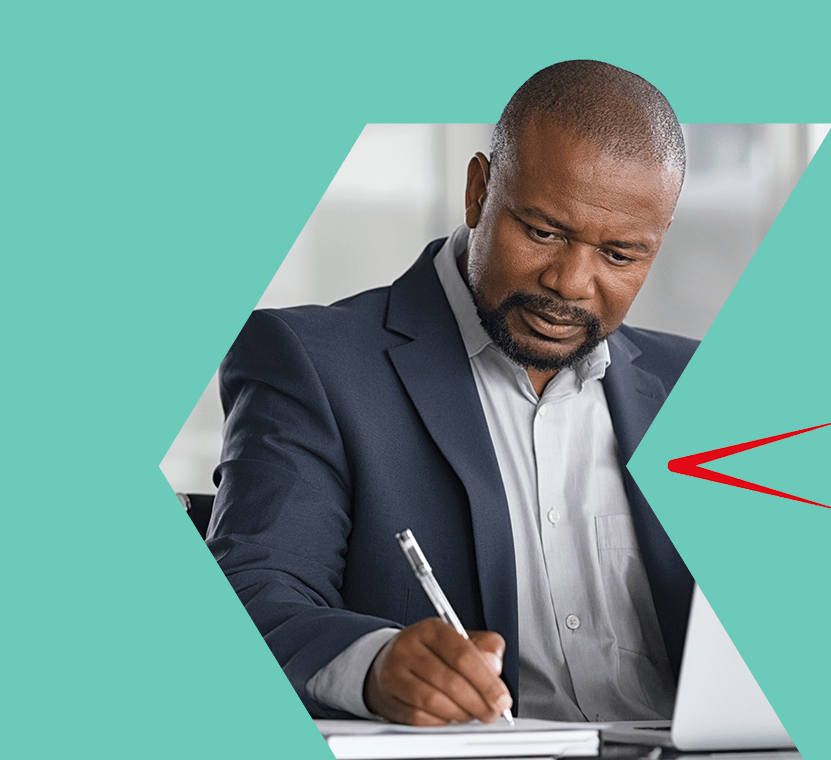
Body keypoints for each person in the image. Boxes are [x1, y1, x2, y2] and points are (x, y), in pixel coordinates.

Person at [209, 60, 697, 726]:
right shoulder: (312, 365)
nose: (571, 281)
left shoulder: (695, 388)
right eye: (545, 232)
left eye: (620, 254)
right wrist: (376, 665)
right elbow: (256, 591)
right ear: (478, 191)